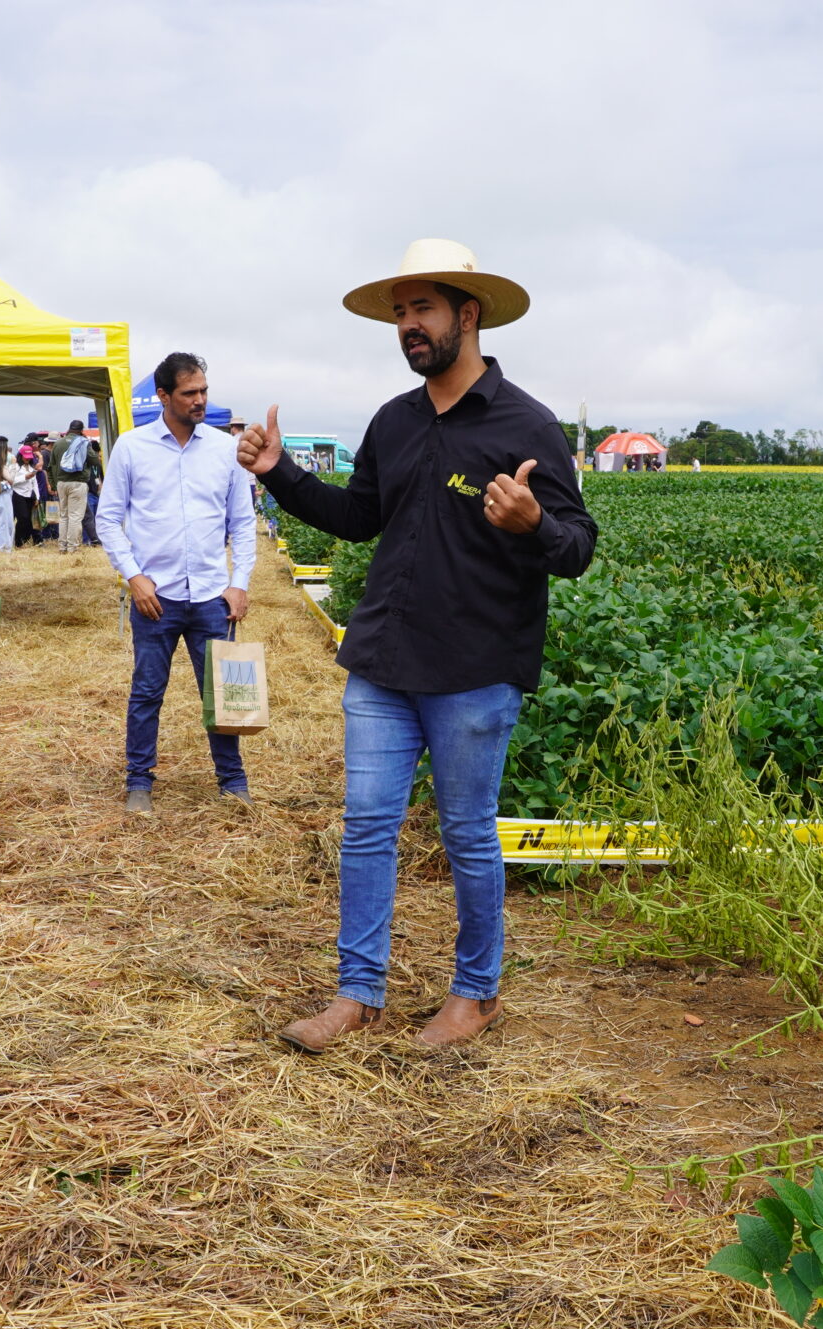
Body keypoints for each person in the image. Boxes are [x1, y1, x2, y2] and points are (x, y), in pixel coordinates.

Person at [239, 239, 596, 1053]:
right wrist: (279, 473)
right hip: (385, 661)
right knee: (366, 825)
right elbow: (360, 516)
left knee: (467, 832)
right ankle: (357, 993)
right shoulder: (394, 422)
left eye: (421, 309)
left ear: (467, 316)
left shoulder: (526, 424)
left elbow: (578, 546)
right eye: (399, 312)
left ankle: (476, 994)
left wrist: (534, 522)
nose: (407, 326)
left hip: (475, 669)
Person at [104, 351, 255, 813]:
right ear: (164, 395)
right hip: (156, 598)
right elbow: (108, 519)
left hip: (212, 595)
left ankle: (232, 781)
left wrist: (240, 581)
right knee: (147, 690)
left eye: (204, 391)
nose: (200, 400)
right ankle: (139, 782)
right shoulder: (131, 447)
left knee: (223, 692)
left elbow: (243, 522)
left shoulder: (224, 449)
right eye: (190, 393)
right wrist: (134, 577)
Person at [52, 418, 93, 554]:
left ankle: (62, 546)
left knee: (64, 515)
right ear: (81, 431)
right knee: (75, 516)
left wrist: (54, 483)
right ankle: (72, 547)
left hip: (61, 483)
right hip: (77, 482)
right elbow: (94, 460)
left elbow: (51, 465)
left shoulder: (58, 444)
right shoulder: (83, 443)